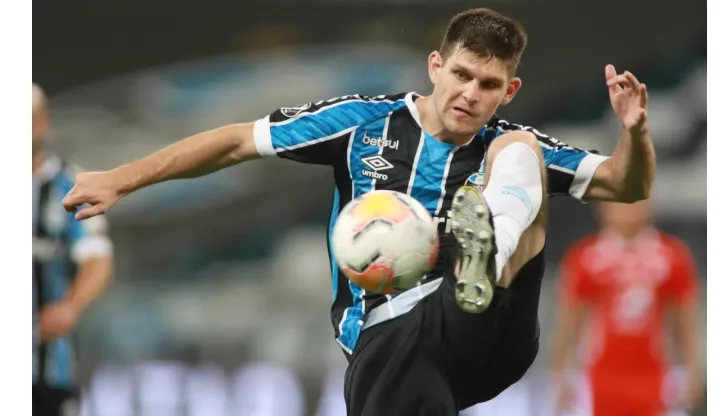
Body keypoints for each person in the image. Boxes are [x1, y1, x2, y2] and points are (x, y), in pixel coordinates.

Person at [61, 8, 655, 415]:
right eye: (462, 75)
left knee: (520, 152)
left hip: (485, 325)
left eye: (490, 84)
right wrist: (120, 179)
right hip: (390, 334)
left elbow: (625, 185)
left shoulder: (507, 136)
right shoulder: (363, 123)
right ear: (434, 66)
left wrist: (636, 132)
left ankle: (484, 255)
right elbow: (237, 141)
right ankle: (478, 258)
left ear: (510, 91)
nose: (472, 94)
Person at [550, 200, 702, 415]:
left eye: (634, 202)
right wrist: (559, 374)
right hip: (600, 377)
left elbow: (685, 324)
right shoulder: (584, 258)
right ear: (602, 208)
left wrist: (691, 372)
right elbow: (569, 324)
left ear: (649, 205)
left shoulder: (673, 257)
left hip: (654, 376)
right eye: (619, 203)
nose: (626, 211)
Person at [32, 83, 115, 416]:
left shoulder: (70, 183)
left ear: (43, 122)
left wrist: (69, 306)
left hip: (49, 366)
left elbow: (97, 257)